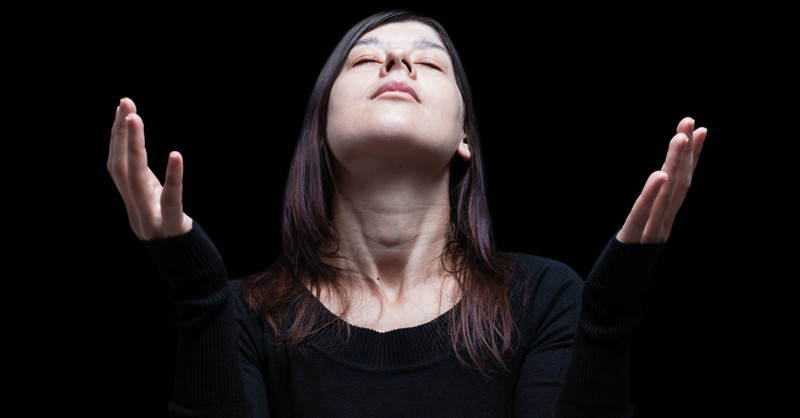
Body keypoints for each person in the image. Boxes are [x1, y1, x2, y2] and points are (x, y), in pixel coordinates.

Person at [107, 9, 707, 418]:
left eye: (431, 61)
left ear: (464, 135)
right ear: (321, 126)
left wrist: (609, 311)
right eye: (366, 61)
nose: (397, 64)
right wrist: (195, 288)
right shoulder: (245, 316)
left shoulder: (546, 297)